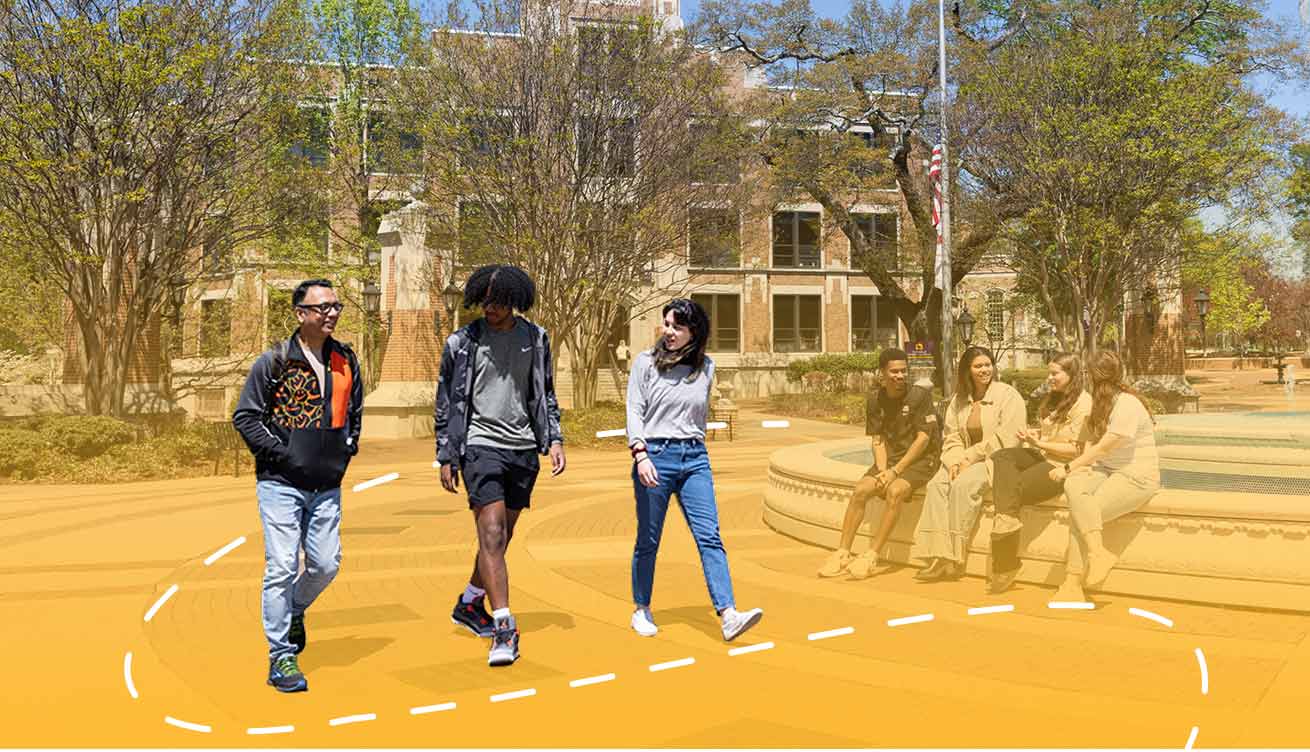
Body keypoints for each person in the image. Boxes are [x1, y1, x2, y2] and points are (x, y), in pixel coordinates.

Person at [232, 279, 363, 693]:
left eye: (335, 306)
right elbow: (246, 418)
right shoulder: (274, 362)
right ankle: (280, 656)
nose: (331, 314)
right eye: (321, 307)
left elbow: (354, 411)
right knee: (282, 565)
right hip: (281, 483)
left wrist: (346, 449)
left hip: (326, 484)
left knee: (326, 565)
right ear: (300, 313)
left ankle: (296, 608)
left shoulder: (346, 360)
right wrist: (284, 455)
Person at [434, 264, 566, 667]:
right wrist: (446, 452)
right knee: (490, 533)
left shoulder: (536, 338)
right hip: (480, 446)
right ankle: (505, 628)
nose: (489, 308)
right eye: (484, 301)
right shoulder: (462, 342)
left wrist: (555, 438)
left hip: (523, 448)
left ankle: (471, 602)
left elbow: (545, 392)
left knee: (500, 539)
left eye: (498, 302)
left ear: (515, 301)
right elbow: (445, 401)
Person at [626, 299, 763, 641]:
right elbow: (634, 411)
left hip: (695, 459)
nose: (669, 332)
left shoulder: (707, 367)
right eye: (667, 324)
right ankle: (641, 608)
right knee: (649, 540)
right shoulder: (645, 363)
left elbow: (696, 416)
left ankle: (728, 613)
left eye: (677, 326)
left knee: (710, 537)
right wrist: (640, 454)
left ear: (694, 332)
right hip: (654, 456)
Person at [817, 348, 941, 579]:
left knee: (895, 492)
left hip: (922, 459)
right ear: (882, 373)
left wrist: (895, 472)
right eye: (894, 372)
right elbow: (878, 439)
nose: (900, 376)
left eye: (904, 371)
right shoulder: (875, 399)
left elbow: (923, 439)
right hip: (891, 460)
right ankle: (843, 552)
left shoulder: (920, 396)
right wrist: (883, 471)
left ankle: (871, 556)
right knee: (860, 490)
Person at [1047, 350, 1160, 602]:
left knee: (1083, 512)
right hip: (1107, 471)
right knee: (1076, 486)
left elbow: (1105, 447)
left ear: (1095, 376)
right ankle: (1098, 554)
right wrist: (1076, 471)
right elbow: (1090, 445)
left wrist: (1067, 467)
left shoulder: (1128, 404)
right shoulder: (1098, 403)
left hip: (1136, 477)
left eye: (1086, 373)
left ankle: (1072, 582)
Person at [911, 346, 1026, 582]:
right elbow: (951, 435)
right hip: (962, 459)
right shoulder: (959, 400)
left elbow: (1008, 437)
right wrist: (954, 460)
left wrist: (969, 457)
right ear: (967, 371)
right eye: (978, 366)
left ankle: (954, 558)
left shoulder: (1007, 395)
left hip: (995, 460)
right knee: (937, 486)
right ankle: (937, 556)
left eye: (987, 365)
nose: (984, 370)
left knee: (963, 487)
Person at [985, 353, 1092, 594]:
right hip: (1044, 456)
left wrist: (1040, 444)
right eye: (1049, 373)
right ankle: (1006, 522)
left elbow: (1077, 450)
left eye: (1055, 373)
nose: (1050, 378)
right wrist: (1034, 438)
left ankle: (1005, 565)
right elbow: (1050, 437)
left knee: (1011, 493)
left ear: (1072, 376)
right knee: (1002, 456)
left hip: (1063, 467)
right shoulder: (1053, 399)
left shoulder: (1084, 404)